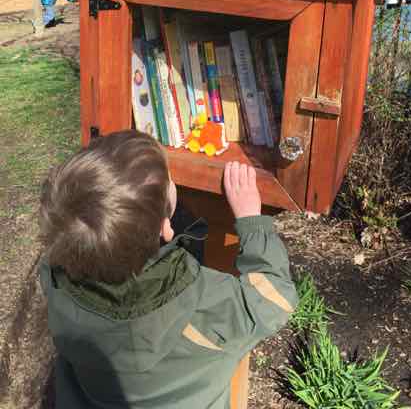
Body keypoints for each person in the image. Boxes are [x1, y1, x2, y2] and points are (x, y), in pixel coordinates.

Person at [39, 130, 297, 409]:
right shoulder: (208, 303)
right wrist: (251, 221)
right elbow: (276, 297)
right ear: (165, 226)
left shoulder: (54, 281)